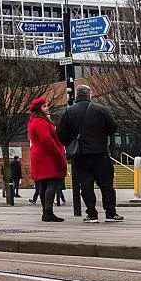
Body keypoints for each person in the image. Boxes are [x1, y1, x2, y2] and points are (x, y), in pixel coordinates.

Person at [57, 84, 123, 223]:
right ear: (89, 94)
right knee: (106, 185)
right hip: (100, 153)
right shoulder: (101, 109)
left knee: (86, 185)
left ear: (76, 95)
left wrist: (70, 142)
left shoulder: (68, 112)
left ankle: (92, 214)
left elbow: (60, 133)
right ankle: (111, 213)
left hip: (80, 154)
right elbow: (113, 127)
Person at [28, 97, 67, 222]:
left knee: (43, 185)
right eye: (44, 106)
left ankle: (46, 212)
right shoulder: (41, 122)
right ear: (39, 109)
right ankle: (48, 212)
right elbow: (47, 140)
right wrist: (58, 153)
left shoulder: (35, 121)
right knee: (52, 182)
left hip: (40, 155)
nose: (47, 107)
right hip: (47, 156)